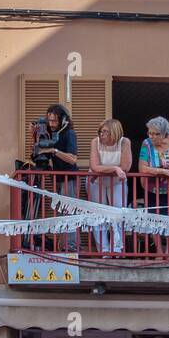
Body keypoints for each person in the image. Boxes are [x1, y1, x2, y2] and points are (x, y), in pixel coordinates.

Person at [32, 104, 80, 250]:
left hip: (69, 178)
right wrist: (34, 136)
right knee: (60, 212)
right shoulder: (51, 133)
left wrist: (54, 150)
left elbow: (73, 159)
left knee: (69, 211)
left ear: (63, 120)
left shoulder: (69, 133)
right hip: (58, 179)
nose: (51, 124)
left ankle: (70, 246)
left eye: (54, 121)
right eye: (49, 121)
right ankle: (62, 245)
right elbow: (37, 154)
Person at [139, 116, 169, 253]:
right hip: (152, 189)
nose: (152, 136)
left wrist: (155, 170)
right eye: (150, 133)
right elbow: (142, 168)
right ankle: (160, 252)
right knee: (154, 220)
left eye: (156, 134)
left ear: (165, 133)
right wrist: (163, 171)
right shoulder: (146, 144)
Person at [88, 118, 131, 254]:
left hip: (117, 182)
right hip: (97, 181)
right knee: (99, 215)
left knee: (118, 214)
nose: (102, 134)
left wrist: (113, 169)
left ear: (115, 132)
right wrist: (115, 169)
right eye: (100, 131)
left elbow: (125, 167)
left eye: (105, 132)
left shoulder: (124, 142)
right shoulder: (95, 142)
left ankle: (117, 249)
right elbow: (95, 167)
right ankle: (104, 251)